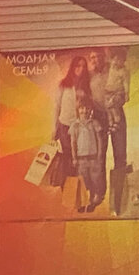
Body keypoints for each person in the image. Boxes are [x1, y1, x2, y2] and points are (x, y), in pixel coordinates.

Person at [87, 48, 128, 207]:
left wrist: (117, 101)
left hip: (116, 113)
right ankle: (99, 193)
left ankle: (119, 197)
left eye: (98, 56)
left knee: (120, 155)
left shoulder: (115, 69)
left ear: (104, 57)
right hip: (98, 117)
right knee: (98, 157)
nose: (96, 60)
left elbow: (123, 92)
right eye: (93, 57)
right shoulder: (88, 75)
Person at [52, 55, 90, 185]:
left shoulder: (86, 86)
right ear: (73, 67)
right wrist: (54, 128)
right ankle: (66, 187)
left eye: (83, 66)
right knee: (66, 156)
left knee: (78, 158)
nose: (81, 69)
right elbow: (57, 106)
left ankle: (76, 189)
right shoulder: (64, 84)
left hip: (80, 128)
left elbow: (88, 108)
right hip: (65, 125)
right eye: (78, 65)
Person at [68, 98, 105, 212]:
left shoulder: (94, 123)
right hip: (81, 159)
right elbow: (73, 143)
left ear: (91, 110)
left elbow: (99, 140)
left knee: (95, 180)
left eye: (87, 108)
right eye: (81, 108)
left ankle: (93, 202)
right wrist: (74, 158)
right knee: (82, 182)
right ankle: (81, 204)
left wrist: (99, 155)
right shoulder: (75, 125)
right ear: (77, 110)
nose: (84, 111)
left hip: (93, 158)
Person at [103, 48, 130, 132]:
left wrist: (126, 94)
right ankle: (111, 123)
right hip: (108, 92)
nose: (116, 62)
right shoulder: (111, 67)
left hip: (118, 92)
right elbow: (108, 56)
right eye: (115, 59)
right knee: (108, 108)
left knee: (113, 105)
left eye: (119, 60)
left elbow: (126, 83)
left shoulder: (124, 71)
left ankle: (117, 120)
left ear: (124, 61)